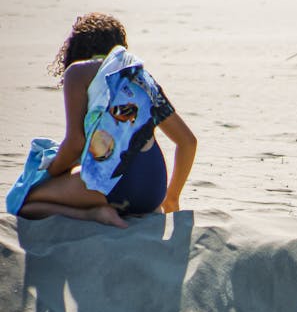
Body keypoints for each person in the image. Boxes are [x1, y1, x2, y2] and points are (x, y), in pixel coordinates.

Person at [17, 12, 197, 229]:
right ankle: (106, 205)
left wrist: (48, 175)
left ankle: (95, 214)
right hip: (153, 191)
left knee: (26, 203)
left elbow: (75, 144)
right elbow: (188, 142)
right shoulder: (138, 76)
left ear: (76, 51)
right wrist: (171, 198)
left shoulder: (78, 73)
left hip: (114, 189)